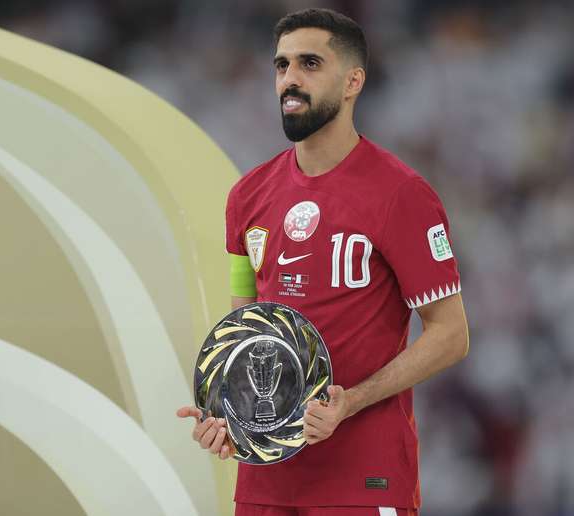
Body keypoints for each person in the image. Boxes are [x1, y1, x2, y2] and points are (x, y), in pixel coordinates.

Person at [177, 8, 469, 516]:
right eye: (282, 65)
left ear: (353, 80)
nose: (290, 79)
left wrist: (351, 401)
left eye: (310, 63)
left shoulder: (402, 195)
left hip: (364, 479)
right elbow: (245, 330)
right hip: (265, 484)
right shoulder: (246, 197)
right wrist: (228, 412)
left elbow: (451, 335)